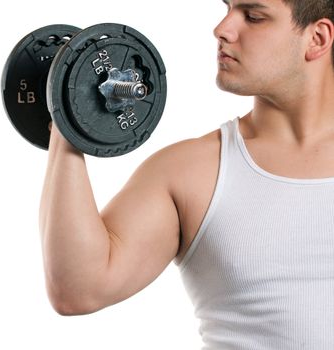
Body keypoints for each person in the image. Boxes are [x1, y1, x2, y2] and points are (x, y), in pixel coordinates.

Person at [39, 0, 334, 348]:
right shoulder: (191, 172)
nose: (222, 29)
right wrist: (68, 116)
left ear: (317, 38)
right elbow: (78, 290)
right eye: (227, 9)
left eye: (253, 16)